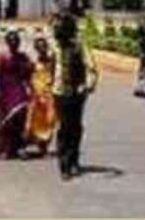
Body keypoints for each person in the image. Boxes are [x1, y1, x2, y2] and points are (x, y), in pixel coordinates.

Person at [52, 10, 99, 180]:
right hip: (59, 91)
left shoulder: (79, 46)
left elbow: (91, 66)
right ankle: (64, 163)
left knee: (76, 127)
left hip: (76, 91)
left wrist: (88, 85)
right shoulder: (54, 46)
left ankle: (73, 160)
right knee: (64, 127)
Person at [0, 31, 33, 160]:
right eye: (12, 40)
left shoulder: (23, 57)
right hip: (5, 90)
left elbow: (28, 74)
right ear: (7, 42)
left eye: (16, 40)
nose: (14, 43)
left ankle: (20, 147)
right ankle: (5, 149)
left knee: (20, 117)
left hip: (19, 89)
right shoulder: (2, 57)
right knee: (6, 121)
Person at [25, 36, 58, 157]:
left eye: (44, 46)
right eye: (39, 47)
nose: (42, 48)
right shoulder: (33, 63)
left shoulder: (52, 62)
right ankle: (38, 146)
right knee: (36, 121)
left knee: (50, 121)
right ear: (36, 49)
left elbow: (55, 75)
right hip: (37, 96)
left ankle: (44, 145)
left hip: (50, 95)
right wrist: (31, 90)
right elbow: (28, 78)